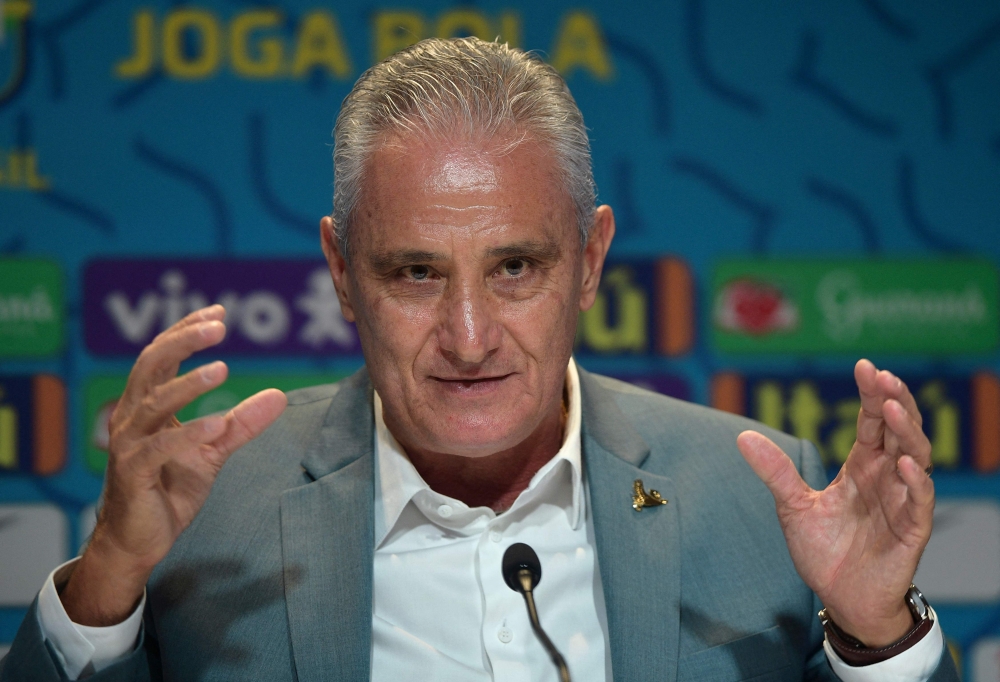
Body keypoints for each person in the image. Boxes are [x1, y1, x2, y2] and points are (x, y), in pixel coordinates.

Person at [1, 38, 957, 681]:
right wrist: (104, 589)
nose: (467, 336)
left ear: (589, 262)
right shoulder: (209, 506)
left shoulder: (760, 495)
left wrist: (879, 636)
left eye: (515, 267)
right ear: (341, 271)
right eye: (416, 272)